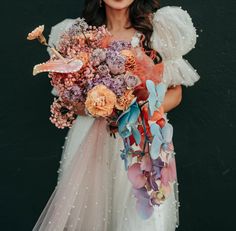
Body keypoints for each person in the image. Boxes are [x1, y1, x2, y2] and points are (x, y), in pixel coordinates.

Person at [33, 0, 200, 230]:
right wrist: (97, 104)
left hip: (141, 137)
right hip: (90, 139)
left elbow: (176, 93)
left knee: (140, 214)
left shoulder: (156, 33)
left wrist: (135, 108)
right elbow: (68, 97)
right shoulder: (80, 36)